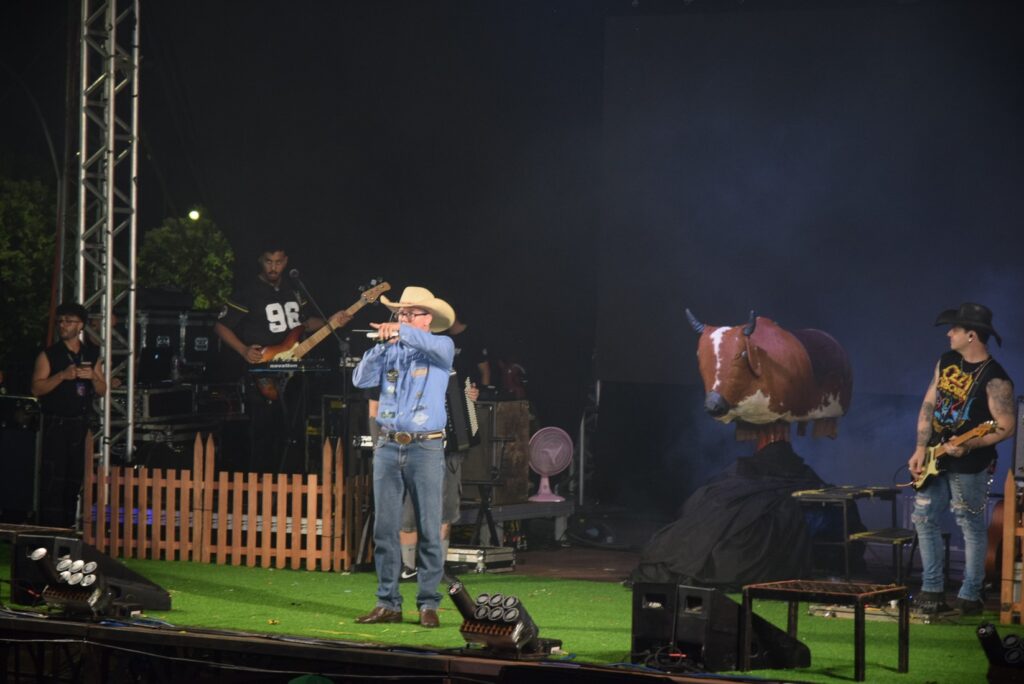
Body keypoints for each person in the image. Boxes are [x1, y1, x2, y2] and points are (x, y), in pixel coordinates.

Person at [352, 286, 455, 628]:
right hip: (388, 445)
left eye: (413, 313)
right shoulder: (390, 349)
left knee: (428, 527)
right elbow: (360, 379)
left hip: (425, 447)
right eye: (402, 314)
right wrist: (381, 345)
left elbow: (431, 345)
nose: (405, 318)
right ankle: (388, 603)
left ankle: (428, 604)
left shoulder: (442, 346)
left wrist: (401, 331)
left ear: (429, 319)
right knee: (385, 529)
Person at [907, 302, 1016, 615]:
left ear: (972, 335)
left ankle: (971, 594)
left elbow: (1006, 427)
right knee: (924, 517)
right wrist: (919, 447)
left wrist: (971, 445)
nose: (949, 334)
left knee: (969, 523)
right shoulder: (946, 361)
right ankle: (931, 589)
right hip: (934, 455)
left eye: (954, 329)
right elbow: (929, 403)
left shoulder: (996, 378)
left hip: (970, 462)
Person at [214, 245, 351, 471]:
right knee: (263, 431)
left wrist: (330, 321)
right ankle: (259, 486)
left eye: (278, 262)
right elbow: (221, 327)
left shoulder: (294, 290)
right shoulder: (248, 291)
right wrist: (243, 350)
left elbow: (305, 324)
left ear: (285, 262)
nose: (273, 267)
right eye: (269, 261)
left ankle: (290, 482)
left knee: (295, 429)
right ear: (261, 261)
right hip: (263, 369)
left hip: (294, 369)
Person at [398, 316, 486, 581]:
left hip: (450, 449)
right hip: (419, 445)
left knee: (446, 509)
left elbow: (468, 387)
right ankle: (407, 566)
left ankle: (435, 567)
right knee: (411, 509)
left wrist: (472, 398)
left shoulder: (455, 361)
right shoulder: (409, 360)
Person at [31, 302, 107, 527]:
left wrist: (92, 377)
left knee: (74, 479)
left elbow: (102, 390)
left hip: (80, 422)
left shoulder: (92, 354)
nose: (63, 325)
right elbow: (36, 388)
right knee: (53, 478)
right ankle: (49, 528)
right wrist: (62, 376)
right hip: (56, 422)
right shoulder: (49, 355)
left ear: (80, 325)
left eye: (68, 321)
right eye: (60, 321)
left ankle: (68, 527)